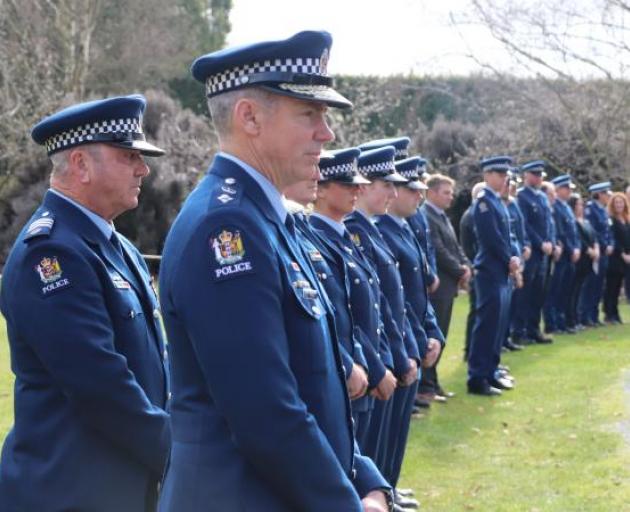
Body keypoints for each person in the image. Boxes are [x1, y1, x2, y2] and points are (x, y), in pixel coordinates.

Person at [158, 31, 392, 512]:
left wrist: (364, 476)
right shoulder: (225, 228)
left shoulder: (268, 219)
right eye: (309, 114)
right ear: (249, 118)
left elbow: (315, 375)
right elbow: (264, 411)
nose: (326, 134)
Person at [0, 95, 171, 512]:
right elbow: (101, 387)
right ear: (80, 164)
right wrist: (184, 451)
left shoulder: (120, 247)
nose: (143, 169)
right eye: (129, 155)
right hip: (67, 494)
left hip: (120, 489)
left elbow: (156, 360)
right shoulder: (53, 253)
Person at [345, 150, 421, 509]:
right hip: (370, 361)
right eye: (385, 185)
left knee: (386, 439)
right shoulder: (354, 234)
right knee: (368, 443)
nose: (392, 193)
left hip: (385, 354)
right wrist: (377, 364)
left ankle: (385, 490)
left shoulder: (369, 232)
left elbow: (388, 302)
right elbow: (356, 314)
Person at [467, 156, 520, 396]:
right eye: (499, 174)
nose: (503, 179)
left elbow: (509, 236)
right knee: (487, 324)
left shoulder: (498, 201)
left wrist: (514, 256)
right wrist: (509, 259)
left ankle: (491, 370)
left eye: (505, 175)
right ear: (487, 175)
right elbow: (491, 239)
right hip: (490, 270)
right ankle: (478, 377)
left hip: (501, 270)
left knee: (498, 325)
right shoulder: (483, 202)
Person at [419, 173, 471, 401]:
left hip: (448, 284)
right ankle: (426, 386)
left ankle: (432, 382)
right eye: (446, 192)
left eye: (451, 192)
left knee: (442, 335)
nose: (451, 197)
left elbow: (455, 246)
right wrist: (460, 270)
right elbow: (438, 250)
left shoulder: (442, 216)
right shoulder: (427, 215)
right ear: (431, 193)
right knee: (434, 336)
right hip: (439, 286)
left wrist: (465, 265)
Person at [512, 160, 554, 345]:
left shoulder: (542, 197)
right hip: (533, 252)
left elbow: (549, 223)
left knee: (539, 293)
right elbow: (525, 225)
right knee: (525, 294)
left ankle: (534, 329)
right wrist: (539, 243)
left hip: (544, 253)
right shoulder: (522, 197)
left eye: (540, 175)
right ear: (526, 175)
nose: (538, 178)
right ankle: (520, 331)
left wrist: (550, 241)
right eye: (534, 174)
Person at [545, 175, 581, 334]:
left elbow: (573, 232)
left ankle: (562, 321)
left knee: (565, 290)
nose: (569, 191)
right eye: (566, 188)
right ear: (558, 189)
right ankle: (553, 323)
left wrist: (577, 248)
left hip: (570, 255)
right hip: (563, 255)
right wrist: (571, 248)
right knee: (555, 291)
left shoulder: (565, 207)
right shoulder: (556, 208)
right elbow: (561, 233)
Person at [581, 181, 614, 326]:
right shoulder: (590, 210)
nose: (609, 196)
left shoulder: (603, 210)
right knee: (591, 284)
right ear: (599, 194)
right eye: (606, 193)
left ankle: (594, 316)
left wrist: (611, 244)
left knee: (599, 285)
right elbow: (593, 231)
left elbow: (608, 231)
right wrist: (603, 245)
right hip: (597, 251)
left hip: (605, 252)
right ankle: (586, 315)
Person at [459, 182, 486, 361]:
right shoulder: (471, 216)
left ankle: (476, 350)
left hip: (479, 268)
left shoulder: (476, 215)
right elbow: (471, 247)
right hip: (476, 269)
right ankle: (470, 350)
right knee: (476, 310)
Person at [567, 194, 600, 330]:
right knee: (573, 290)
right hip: (580, 259)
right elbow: (579, 239)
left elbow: (594, 236)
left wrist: (596, 248)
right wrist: (589, 250)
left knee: (579, 290)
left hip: (588, 261)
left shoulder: (585, 221)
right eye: (579, 204)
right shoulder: (573, 221)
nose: (581, 207)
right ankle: (571, 319)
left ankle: (577, 318)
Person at [603, 192, 630, 323]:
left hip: (626, 257)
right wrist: (622, 253)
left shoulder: (626, 219)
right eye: (617, 203)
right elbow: (613, 238)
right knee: (611, 286)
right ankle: (609, 313)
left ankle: (615, 313)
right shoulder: (611, 220)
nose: (619, 205)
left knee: (618, 285)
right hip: (616, 257)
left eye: (621, 202)